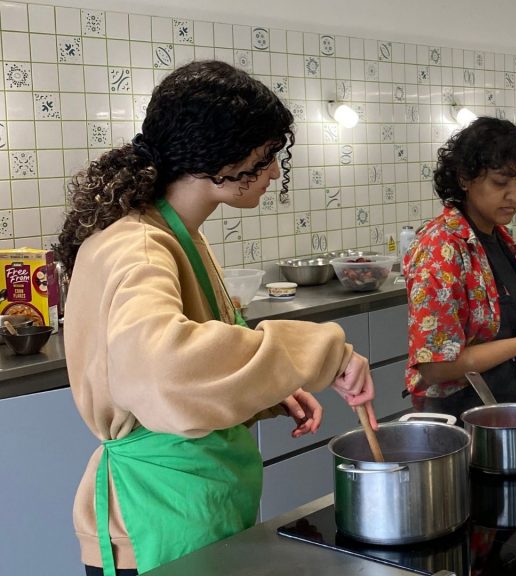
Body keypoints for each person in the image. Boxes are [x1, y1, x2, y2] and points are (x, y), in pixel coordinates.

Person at [56, 61, 377, 576]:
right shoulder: (139, 245)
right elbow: (165, 370)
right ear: (220, 160)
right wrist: (320, 352)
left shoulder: (172, 230)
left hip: (192, 508)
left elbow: (193, 352)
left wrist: (267, 384)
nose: (275, 171)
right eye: (268, 156)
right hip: (158, 523)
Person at [404, 117, 516, 418]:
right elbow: (436, 367)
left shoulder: (500, 238)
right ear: (465, 177)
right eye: (500, 183)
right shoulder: (442, 247)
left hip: (510, 408)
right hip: (463, 420)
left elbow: (496, 324)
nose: (514, 196)